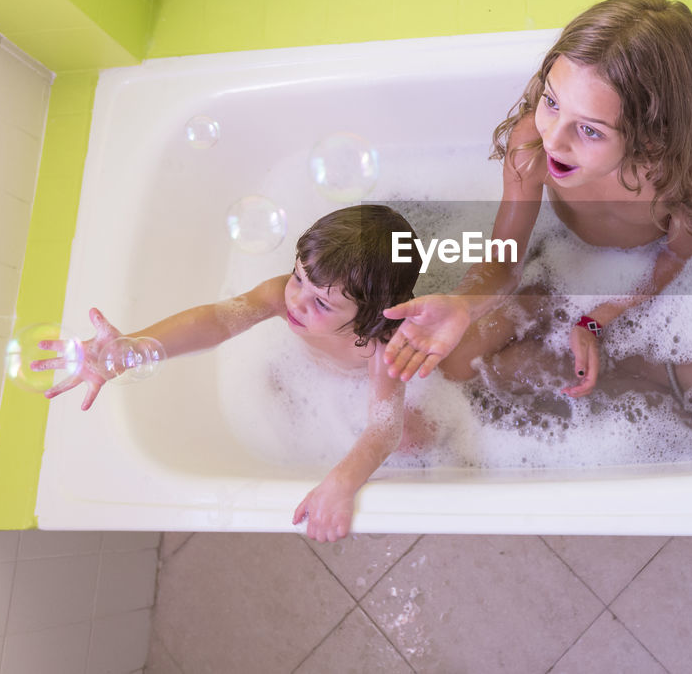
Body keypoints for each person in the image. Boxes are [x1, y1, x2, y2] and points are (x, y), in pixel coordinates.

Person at [382, 0, 692, 415]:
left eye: (590, 131)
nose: (554, 139)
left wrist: (597, 319)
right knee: (449, 360)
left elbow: (674, 259)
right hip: (559, 274)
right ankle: (610, 372)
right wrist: (463, 304)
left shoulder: (689, 174)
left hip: (646, 291)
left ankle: (639, 366)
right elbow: (503, 261)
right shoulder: (533, 145)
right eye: (552, 102)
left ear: (651, 136)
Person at [42, 205, 421, 541]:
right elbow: (218, 321)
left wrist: (342, 482)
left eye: (321, 303)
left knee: (413, 438)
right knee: (275, 388)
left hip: (378, 387)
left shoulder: (384, 343)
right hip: (324, 379)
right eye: (297, 277)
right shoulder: (279, 293)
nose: (296, 301)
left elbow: (384, 426)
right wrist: (132, 349)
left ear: (373, 316)